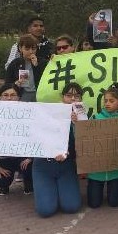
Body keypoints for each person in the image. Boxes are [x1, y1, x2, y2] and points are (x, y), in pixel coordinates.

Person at [32, 83, 82, 217]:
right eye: (69, 95)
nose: (72, 99)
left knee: (72, 207)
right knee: (45, 211)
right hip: (43, 165)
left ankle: (60, 192)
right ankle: (47, 193)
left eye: (76, 96)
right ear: (62, 97)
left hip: (66, 166)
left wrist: (77, 125)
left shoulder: (83, 117)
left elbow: (84, 146)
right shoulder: (49, 113)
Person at [87, 83, 118, 208]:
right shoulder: (95, 118)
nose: (107, 103)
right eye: (105, 100)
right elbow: (83, 137)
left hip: (115, 170)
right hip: (96, 170)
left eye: (111, 101)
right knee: (94, 204)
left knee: (114, 203)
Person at [0, 83, 33, 195]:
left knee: (31, 167)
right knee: (1, 179)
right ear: (0, 97)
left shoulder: (29, 113)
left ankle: (28, 182)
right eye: (5, 95)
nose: (9, 98)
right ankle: (3, 186)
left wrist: (31, 158)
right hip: (3, 159)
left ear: (19, 97)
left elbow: (37, 137)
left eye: (13, 95)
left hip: (23, 157)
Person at [5, 34, 48, 102]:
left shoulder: (43, 62)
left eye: (33, 49)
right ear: (20, 48)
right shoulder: (15, 63)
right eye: (27, 49)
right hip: (22, 94)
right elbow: (7, 83)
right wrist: (15, 84)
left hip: (39, 94)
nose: (31, 52)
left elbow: (47, 79)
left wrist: (37, 66)